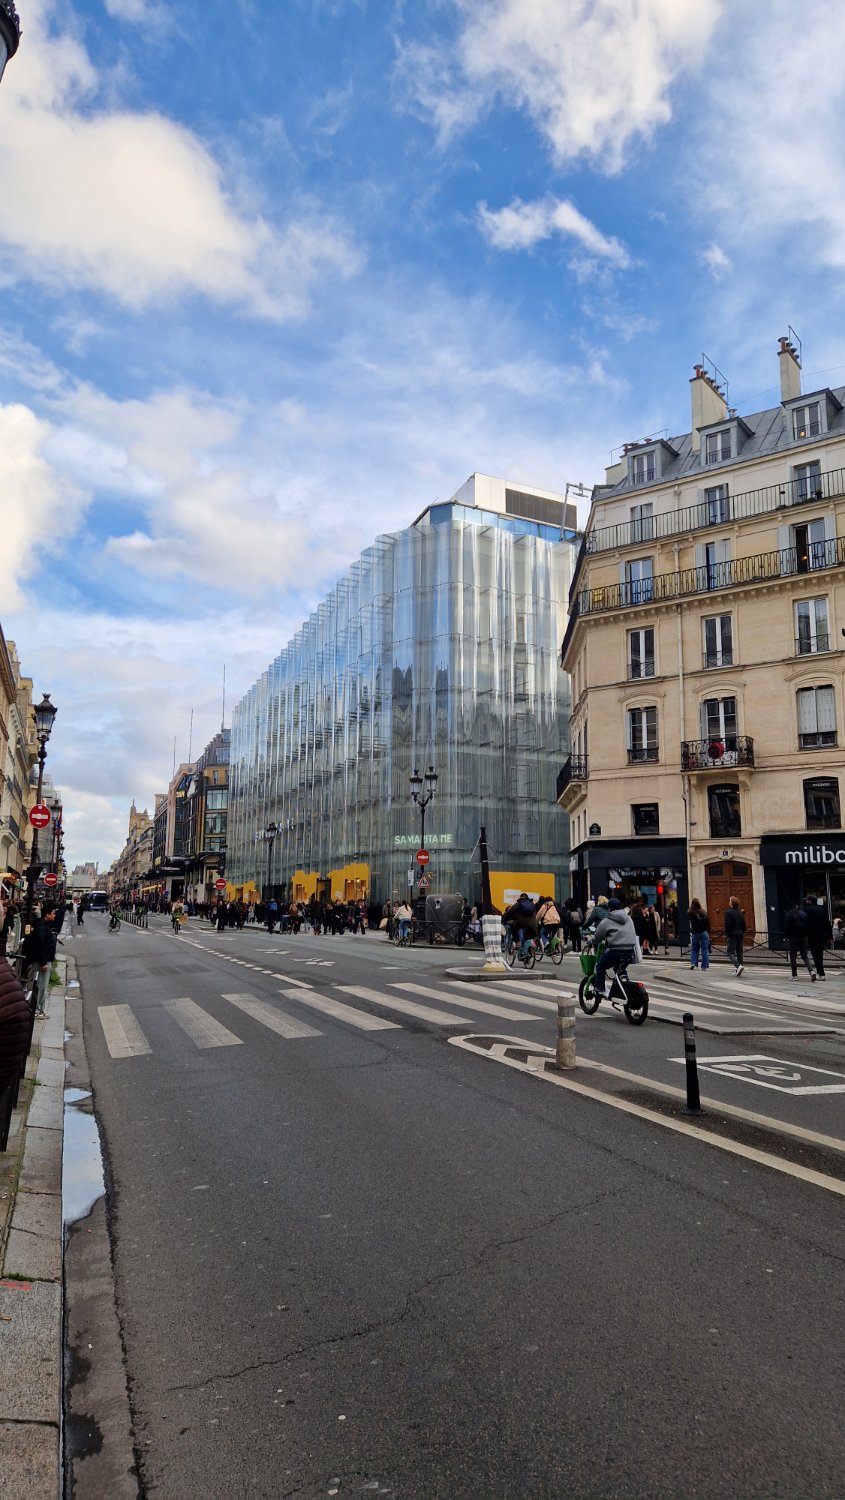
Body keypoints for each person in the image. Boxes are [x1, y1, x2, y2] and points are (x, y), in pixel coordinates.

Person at [591, 898, 638, 998]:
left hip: (616, 951)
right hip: (630, 951)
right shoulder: (628, 919)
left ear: (609, 909)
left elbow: (597, 937)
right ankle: (625, 989)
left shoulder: (607, 921)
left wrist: (590, 941)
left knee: (600, 966)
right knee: (619, 969)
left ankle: (600, 989)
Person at [783, 901, 815, 981]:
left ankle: (795, 975)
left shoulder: (789, 914)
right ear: (796, 906)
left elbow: (787, 927)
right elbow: (808, 925)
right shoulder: (803, 913)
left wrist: (786, 936)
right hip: (804, 937)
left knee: (793, 956)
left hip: (793, 937)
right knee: (805, 956)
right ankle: (811, 971)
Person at [805, 897, 831, 980]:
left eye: (807, 900)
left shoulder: (807, 910)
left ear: (809, 901)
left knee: (815, 954)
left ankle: (821, 973)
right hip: (821, 935)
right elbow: (827, 923)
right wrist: (830, 936)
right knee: (820, 954)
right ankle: (821, 972)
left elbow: (805, 923)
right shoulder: (822, 909)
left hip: (811, 935)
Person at [724, 896, 746, 976]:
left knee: (730, 952)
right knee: (739, 953)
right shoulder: (740, 912)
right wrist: (742, 932)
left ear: (731, 903)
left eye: (730, 901)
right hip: (740, 934)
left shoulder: (728, 912)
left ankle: (738, 966)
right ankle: (739, 969)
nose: (729, 902)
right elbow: (744, 925)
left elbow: (727, 925)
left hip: (732, 935)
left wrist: (727, 934)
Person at [687, 898, 711, 971]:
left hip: (695, 933)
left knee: (694, 949)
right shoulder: (703, 912)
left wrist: (691, 931)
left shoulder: (690, 913)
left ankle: (693, 963)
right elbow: (708, 923)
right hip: (703, 932)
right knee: (705, 949)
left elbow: (690, 924)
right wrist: (708, 932)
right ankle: (704, 966)